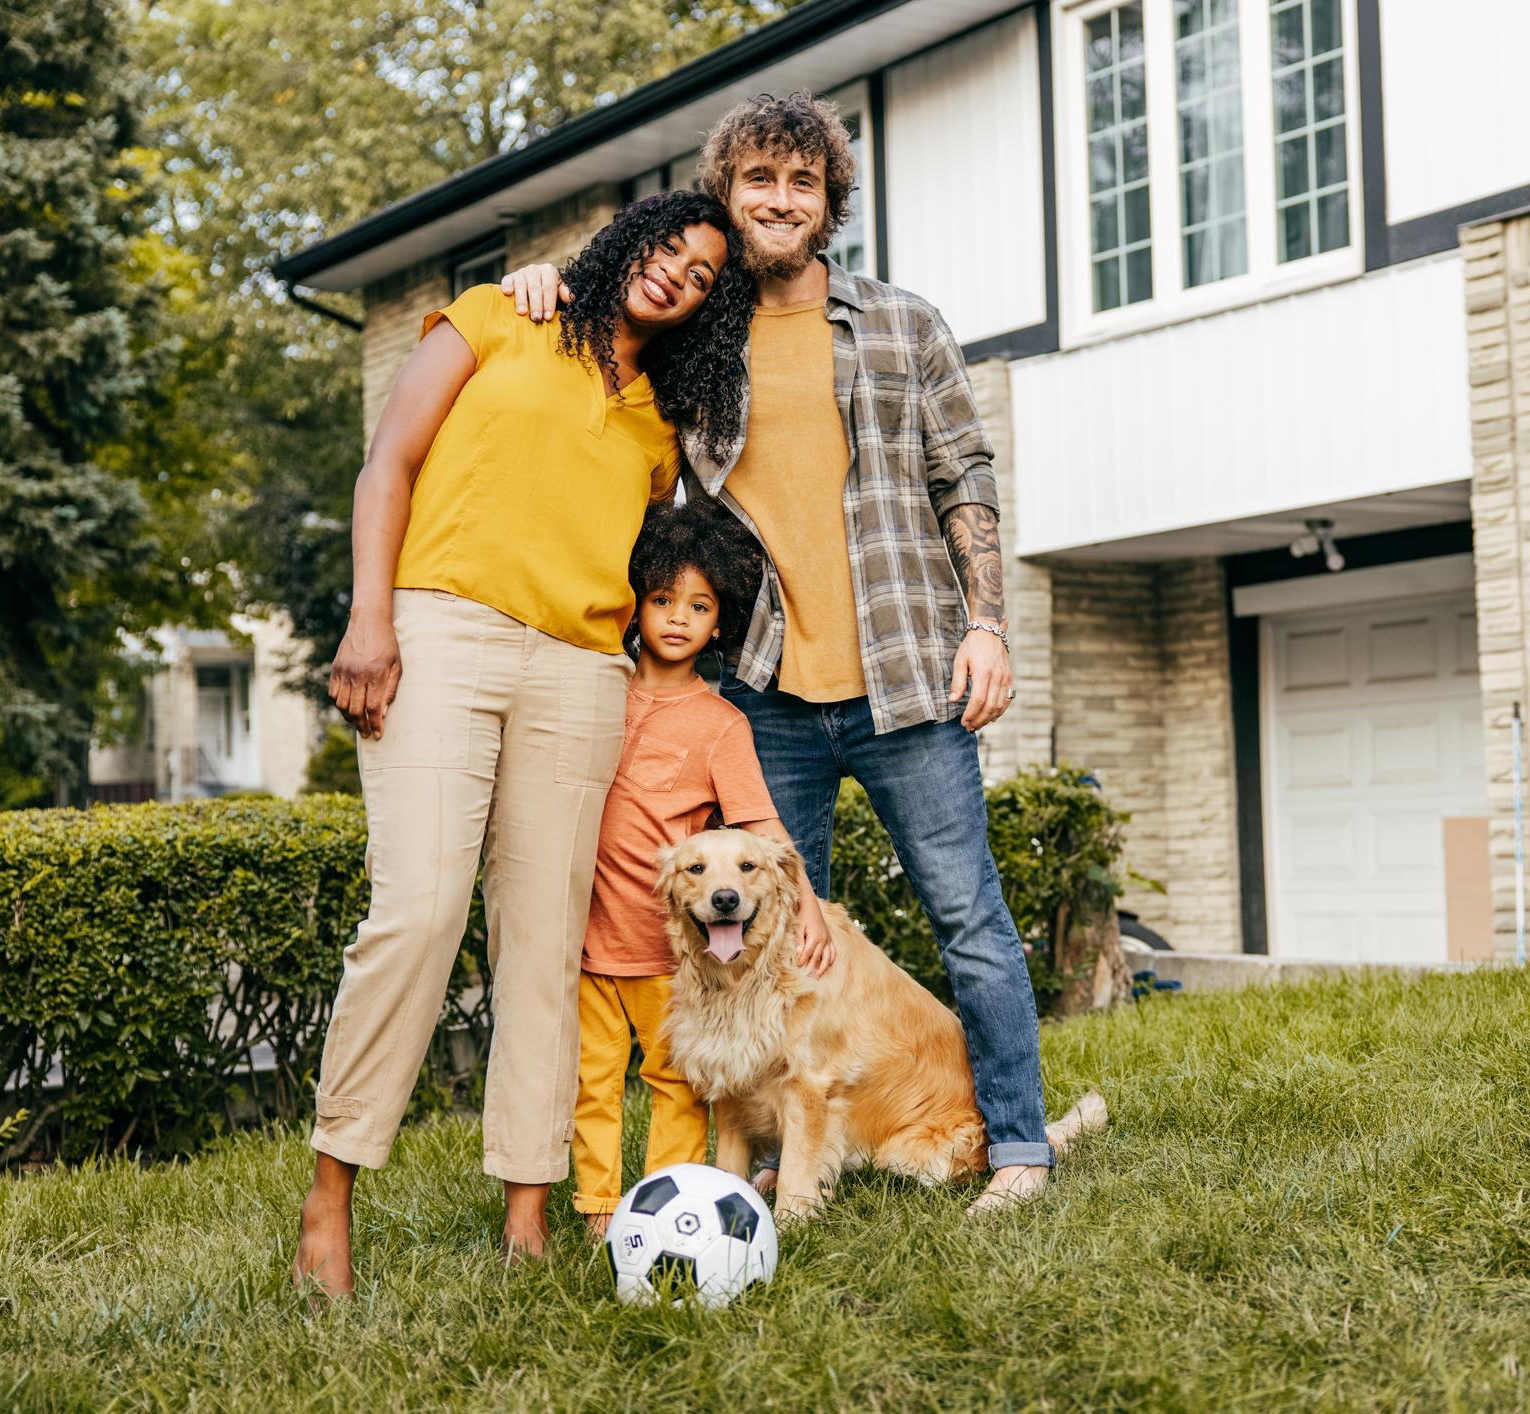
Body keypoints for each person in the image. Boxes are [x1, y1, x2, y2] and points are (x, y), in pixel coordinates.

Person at [502, 92, 1050, 1216]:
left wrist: (987, 625)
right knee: (772, 942)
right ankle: (781, 1153)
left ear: (828, 201)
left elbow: (967, 479)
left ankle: (1020, 1146)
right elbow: (610, 312)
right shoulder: (698, 343)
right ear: (729, 192)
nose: (780, 201)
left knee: (969, 922)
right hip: (762, 699)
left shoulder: (902, 324)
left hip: (907, 683)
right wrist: (541, 279)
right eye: (759, 180)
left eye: (802, 183)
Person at [293, 190, 756, 1297]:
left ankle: (530, 1214)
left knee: (546, 943)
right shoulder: (500, 316)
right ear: (626, 243)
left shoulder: (657, 425)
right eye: (668, 251)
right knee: (418, 910)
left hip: (579, 671)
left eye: (700, 278)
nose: (675, 277)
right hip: (440, 627)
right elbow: (387, 466)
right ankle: (330, 1192)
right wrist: (370, 618)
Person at [571, 497, 831, 1238]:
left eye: (700, 605)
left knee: (676, 1090)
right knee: (590, 1085)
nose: (679, 618)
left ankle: (663, 1211)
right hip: (587, 943)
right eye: (662, 600)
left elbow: (762, 828)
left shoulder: (722, 725)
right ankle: (597, 1213)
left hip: (666, 957)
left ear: (721, 623)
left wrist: (807, 904)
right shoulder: (597, 691)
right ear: (635, 604)